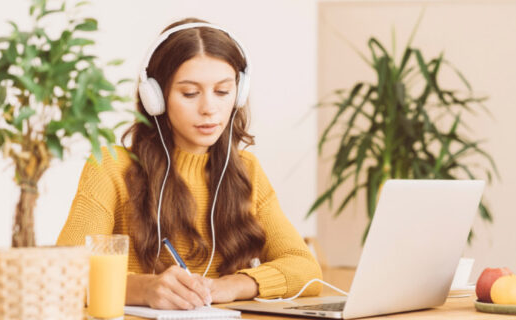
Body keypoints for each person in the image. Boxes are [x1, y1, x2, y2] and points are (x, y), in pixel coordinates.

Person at [57, 17, 322, 310]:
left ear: (238, 93)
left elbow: (305, 269)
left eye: (222, 91)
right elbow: (63, 274)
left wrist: (231, 286)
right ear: (155, 98)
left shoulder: (247, 170)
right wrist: (142, 288)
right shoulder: (110, 166)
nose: (209, 108)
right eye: (190, 93)